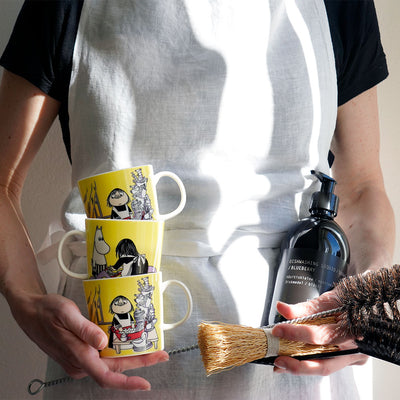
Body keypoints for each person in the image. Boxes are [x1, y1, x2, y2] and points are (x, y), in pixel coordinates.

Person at [0, 0, 395, 399]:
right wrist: (26, 301)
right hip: (105, 359)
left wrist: (366, 305)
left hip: (298, 366)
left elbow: (361, 187)